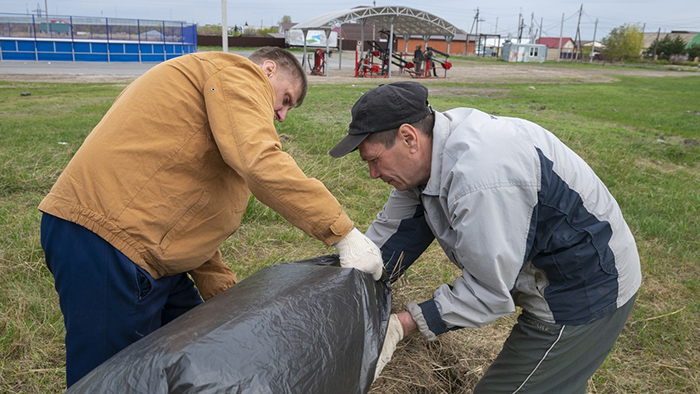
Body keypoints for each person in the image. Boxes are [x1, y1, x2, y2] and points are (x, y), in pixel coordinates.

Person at [39, 47, 383, 387]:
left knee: (201, 340)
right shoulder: (236, 73)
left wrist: (226, 299)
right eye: (287, 99)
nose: (282, 115)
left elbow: (188, 214)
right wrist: (343, 233)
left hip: (142, 246)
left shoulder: (214, 102)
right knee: (111, 377)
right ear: (268, 70)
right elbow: (260, 162)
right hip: (109, 241)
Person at [329, 82, 642, 393]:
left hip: (584, 288)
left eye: (373, 160)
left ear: (409, 137)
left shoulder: (479, 179)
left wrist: (401, 324)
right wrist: (343, 293)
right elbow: (390, 241)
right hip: (552, 275)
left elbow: (489, 291)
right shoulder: (429, 156)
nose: (372, 174)